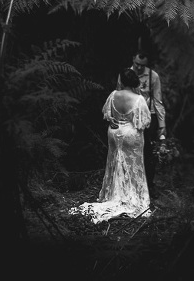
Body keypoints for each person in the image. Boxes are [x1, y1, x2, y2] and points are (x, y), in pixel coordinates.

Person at [69, 68, 152, 223]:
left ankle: (114, 194)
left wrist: (116, 121)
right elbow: (143, 122)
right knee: (133, 165)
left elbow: (108, 114)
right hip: (130, 133)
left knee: (114, 163)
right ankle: (131, 196)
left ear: (122, 80)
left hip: (113, 133)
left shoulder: (113, 95)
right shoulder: (138, 99)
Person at [125, 50, 166, 195]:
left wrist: (162, 125)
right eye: (137, 64)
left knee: (148, 152)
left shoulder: (152, 76)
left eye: (142, 65)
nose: (139, 68)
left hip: (149, 117)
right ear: (133, 60)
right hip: (130, 118)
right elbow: (119, 95)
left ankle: (149, 185)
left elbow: (157, 100)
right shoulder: (125, 74)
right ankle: (131, 185)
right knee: (130, 150)